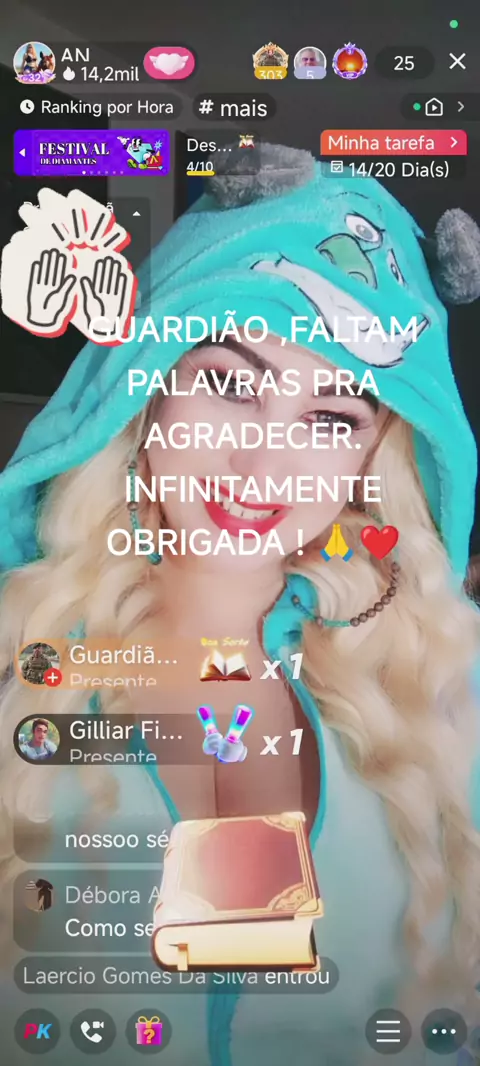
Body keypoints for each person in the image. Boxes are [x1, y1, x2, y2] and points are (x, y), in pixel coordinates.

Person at [0, 143, 479, 1065]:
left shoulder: (445, 679)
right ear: (147, 386)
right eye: (228, 383)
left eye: (331, 418)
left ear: (375, 455)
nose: (263, 467)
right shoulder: (15, 646)